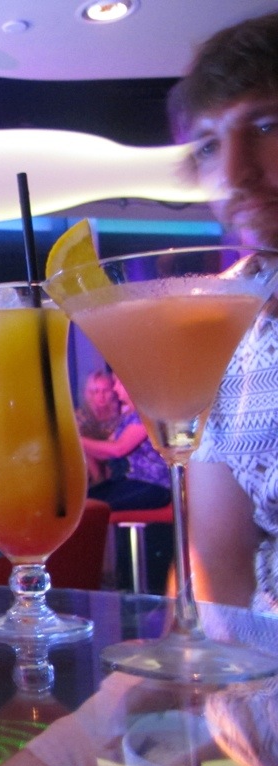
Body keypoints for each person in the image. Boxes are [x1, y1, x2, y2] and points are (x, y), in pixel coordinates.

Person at [169, 11, 278, 613]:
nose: (234, 173)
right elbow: (218, 568)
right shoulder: (224, 319)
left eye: (266, 124)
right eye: (210, 145)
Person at [84, 376, 170, 511]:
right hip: (132, 481)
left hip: (154, 485)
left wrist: (77, 440)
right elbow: (105, 453)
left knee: (87, 508)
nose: (115, 388)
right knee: (80, 502)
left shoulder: (148, 413)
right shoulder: (129, 416)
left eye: (118, 383)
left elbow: (119, 449)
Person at [75, 369, 122, 484]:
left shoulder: (121, 414)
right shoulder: (80, 415)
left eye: (105, 391)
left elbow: (116, 446)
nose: (101, 396)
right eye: (95, 391)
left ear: (113, 391)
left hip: (113, 460)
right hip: (87, 463)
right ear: (88, 393)